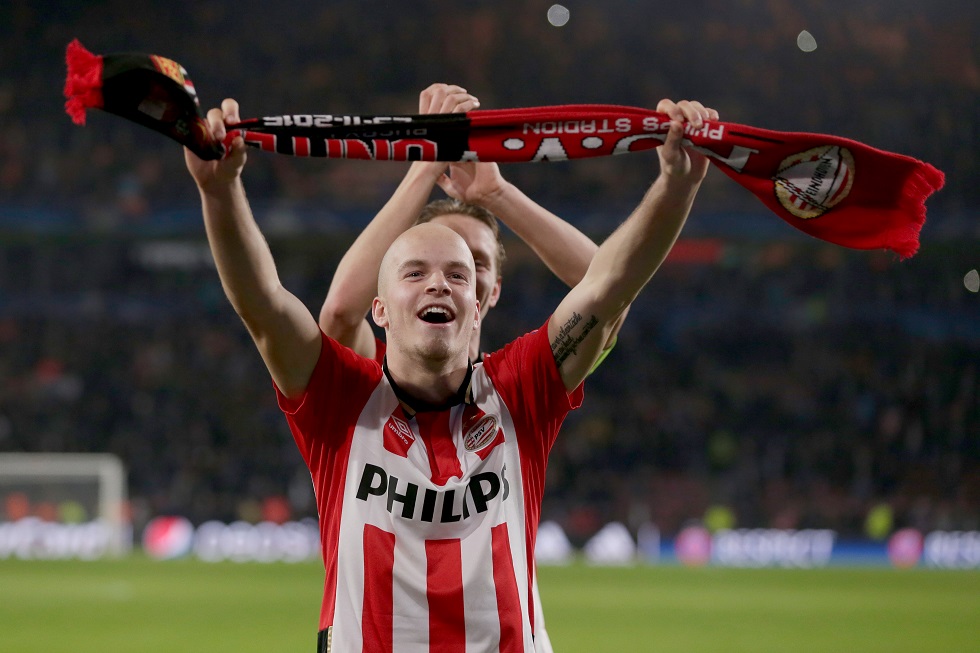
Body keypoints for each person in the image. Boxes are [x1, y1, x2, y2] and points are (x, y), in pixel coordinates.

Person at [185, 92, 716, 652]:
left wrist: (676, 186)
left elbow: (609, 288)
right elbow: (265, 304)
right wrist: (219, 193)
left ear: (482, 301)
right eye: (415, 273)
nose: (439, 283)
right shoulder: (342, 398)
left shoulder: (522, 388)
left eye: (461, 274)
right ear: (380, 308)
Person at [317, 83, 620, 653]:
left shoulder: (522, 386)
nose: (449, 277)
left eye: (473, 263)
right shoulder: (371, 386)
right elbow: (337, 315)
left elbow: (608, 287)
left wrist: (498, 194)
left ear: (492, 291)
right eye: (425, 266)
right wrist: (424, 163)